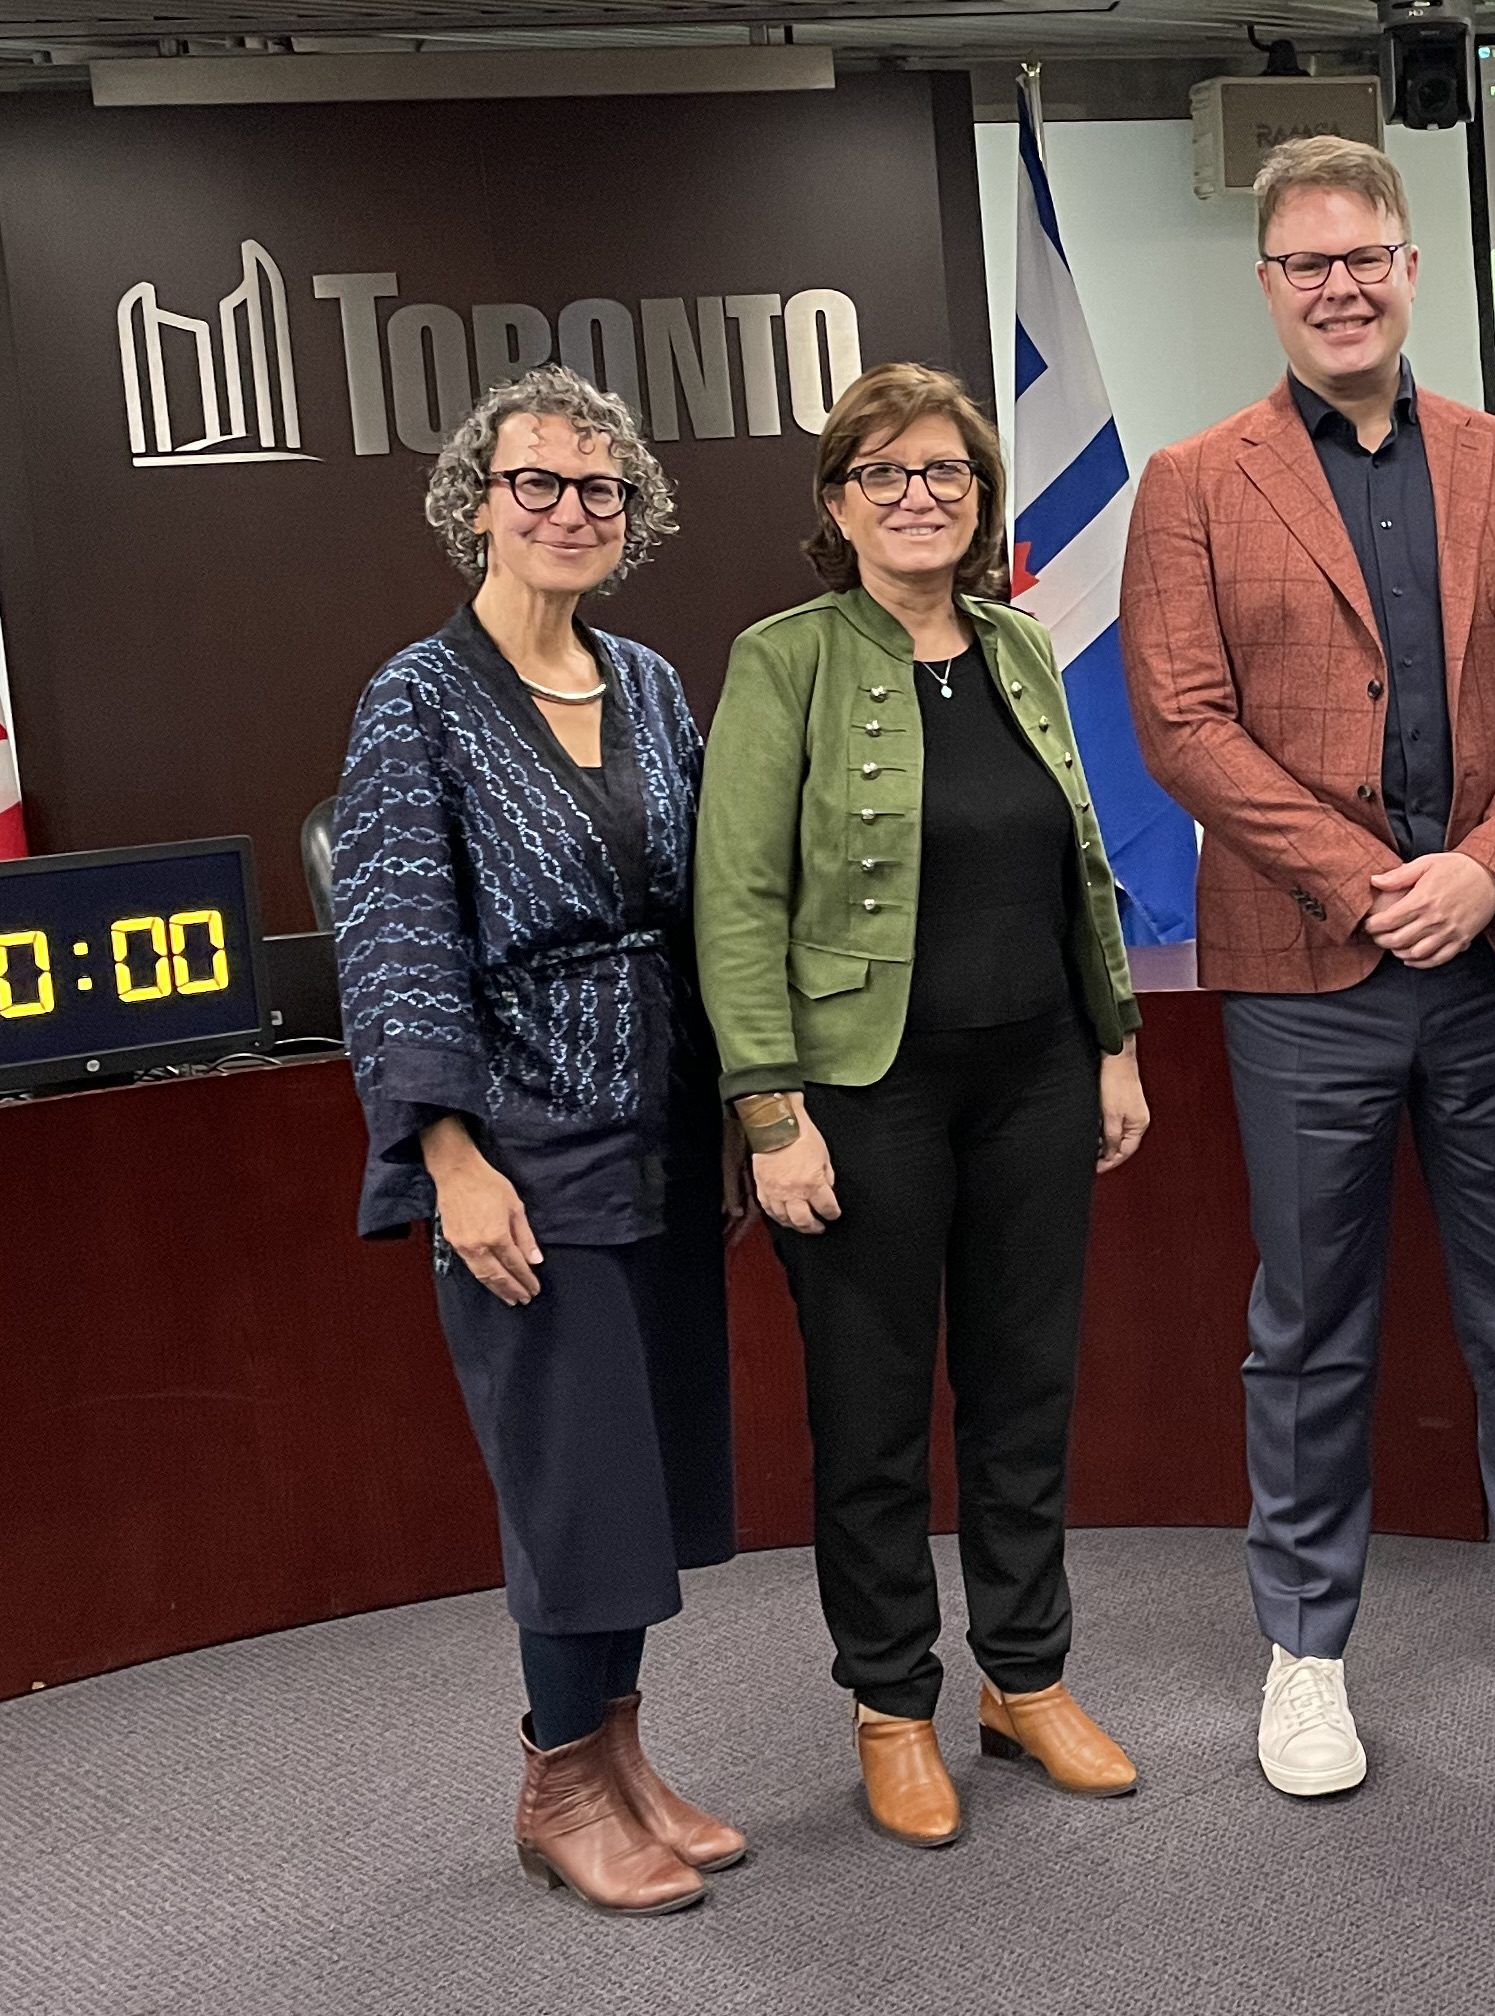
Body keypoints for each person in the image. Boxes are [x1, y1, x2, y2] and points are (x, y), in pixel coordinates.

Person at [1120, 134, 1495, 1799]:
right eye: (1306, 266)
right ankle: (1306, 1651)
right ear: (1267, 286)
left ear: (1412, 270)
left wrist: (1486, 868)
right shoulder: (1197, 483)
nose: (1340, 288)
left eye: (1366, 259)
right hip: (1302, 973)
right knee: (1310, 1329)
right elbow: (1182, 727)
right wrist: (1371, 883)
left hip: (1490, 961)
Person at [694, 362, 1149, 1850]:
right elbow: (738, 895)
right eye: (884, 473)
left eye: (946, 472)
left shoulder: (1017, 644)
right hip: (860, 1090)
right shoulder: (788, 657)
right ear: (838, 503)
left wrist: (1113, 1040)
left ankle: (1026, 1678)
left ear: (980, 497)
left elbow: (1077, 857)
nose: (919, 496)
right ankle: (892, 1706)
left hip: (1033, 1073)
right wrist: (769, 1108)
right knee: (874, 1413)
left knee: (1027, 1391)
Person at [331, 365, 741, 1915]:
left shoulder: (645, 681)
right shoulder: (413, 699)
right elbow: (393, 941)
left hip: (658, 1121)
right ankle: (559, 1777)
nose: (571, 510)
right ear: (476, 506)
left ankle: (624, 1757)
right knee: (569, 1476)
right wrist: (449, 1159)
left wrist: (744, 1112)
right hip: (520, 1140)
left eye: (599, 490)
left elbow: (708, 906)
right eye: (538, 484)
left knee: (637, 1470)